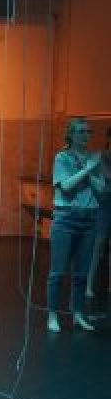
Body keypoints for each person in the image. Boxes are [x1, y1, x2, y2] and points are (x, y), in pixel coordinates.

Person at [47, 116, 105, 333]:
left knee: (81, 273)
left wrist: (93, 172)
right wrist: (88, 170)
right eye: (81, 131)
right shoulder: (62, 158)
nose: (86, 135)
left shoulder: (93, 158)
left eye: (89, 131)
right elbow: (66, 186)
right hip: (66, 218)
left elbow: (101, 188)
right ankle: (52, 315)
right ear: (70, 134)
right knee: (57, 272)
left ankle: (78, 313)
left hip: (89, 219)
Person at [86, 126, 111, 298]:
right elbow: (95, 185)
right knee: (98, 244)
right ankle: (88, 284)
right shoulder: (98, 158)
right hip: (103, 205)